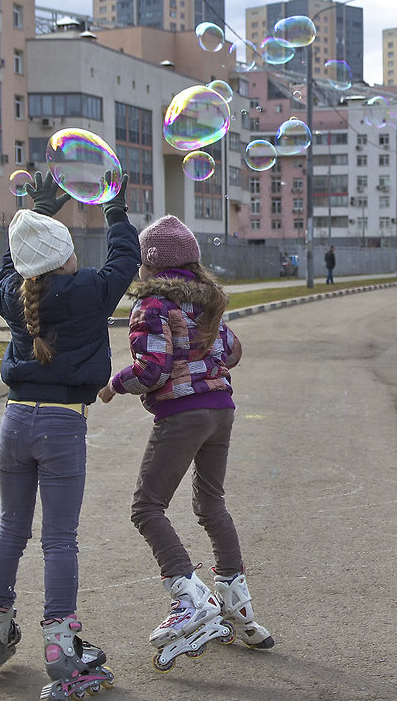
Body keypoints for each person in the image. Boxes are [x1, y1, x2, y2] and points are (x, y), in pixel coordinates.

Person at [0, 171, 141, 701]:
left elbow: (9, 265)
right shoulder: (91, 290)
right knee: (59, 538)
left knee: (11, 529)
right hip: (64, 425)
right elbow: (125, 260)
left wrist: (41, 209)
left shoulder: (12, 297)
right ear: (66, 255)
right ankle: (59, 646)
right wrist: (114, 209)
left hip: (15, 421)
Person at [98, 215, 274, 671]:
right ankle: (239, 606)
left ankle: (188, 594)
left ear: (149, 262)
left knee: (147, 506)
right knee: (210, 504)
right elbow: (233, 351)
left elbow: (152, 370)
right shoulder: (209, 301)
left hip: (183, 413)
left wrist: (114, 384)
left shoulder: (153, 304)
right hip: (222, 409)